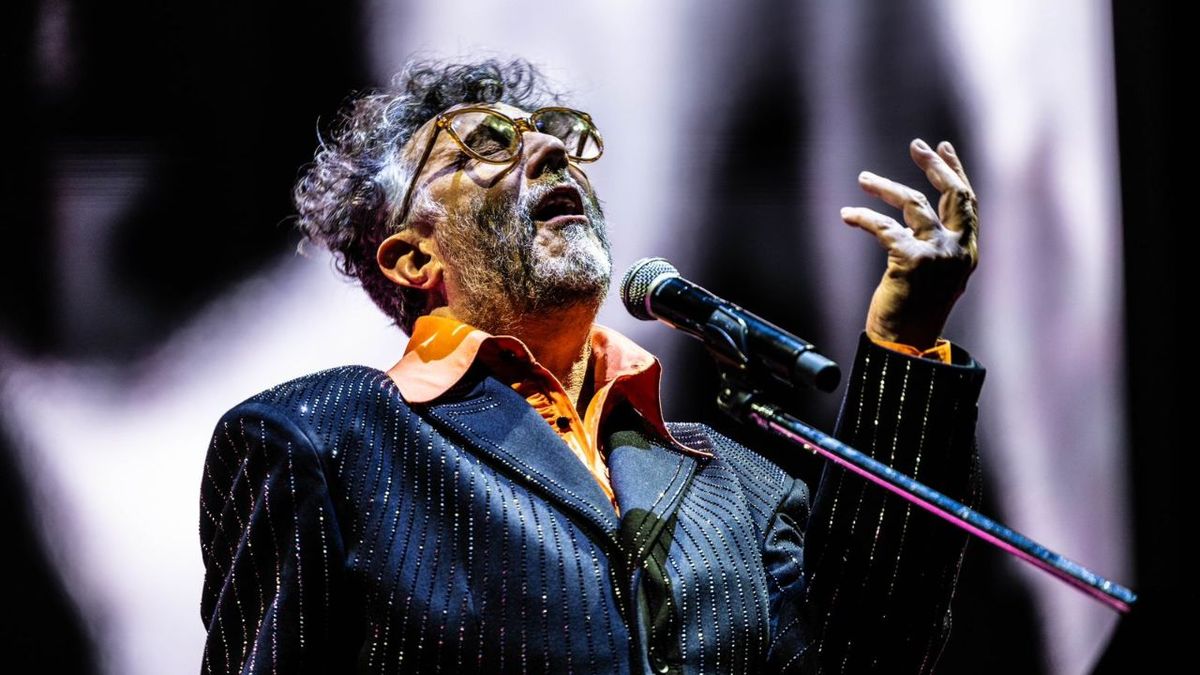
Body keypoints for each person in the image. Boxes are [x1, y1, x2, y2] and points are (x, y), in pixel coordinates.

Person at [199, 58, 984, 674]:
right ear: (412, 258)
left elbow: (866, 657)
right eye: (488, 145)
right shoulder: (330, 437)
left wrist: (906, 340)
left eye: (553, 134)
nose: (550, 151)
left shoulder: (739, 483)